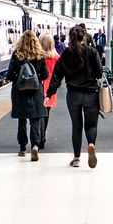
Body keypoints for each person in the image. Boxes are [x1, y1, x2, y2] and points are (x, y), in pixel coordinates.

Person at [45, 24, 104, 168]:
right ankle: (91, 145)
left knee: (76, 126)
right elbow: (99, 73)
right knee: (91, 126)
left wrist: (49, 94)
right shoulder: (92, 52)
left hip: (73, 96)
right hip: (91, 94)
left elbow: (57, 75)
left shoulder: (66, 54)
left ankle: (76, 158)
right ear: (84, 37)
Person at [6, 30, 48, 161]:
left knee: (22, 120)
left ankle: (22, 148)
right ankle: (35, 146)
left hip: (20, 92)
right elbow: (45, 75)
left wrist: (19, 77)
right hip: (35, 92)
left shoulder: (17, 55)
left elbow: (9, 75)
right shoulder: (40, 55)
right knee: (35, 119)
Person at [39, 31, 61, 146]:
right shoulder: (56, 57)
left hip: (38, 86)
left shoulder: (37, 57)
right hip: (50, 88)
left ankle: (39, 136)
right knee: (46, 113)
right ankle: (43, 136)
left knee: (38, 113)